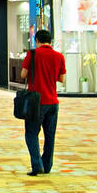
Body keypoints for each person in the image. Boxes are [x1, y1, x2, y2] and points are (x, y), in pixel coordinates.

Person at [22, 29, 67, 176]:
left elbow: (23, 74)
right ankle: (47, 166)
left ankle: (37, 165)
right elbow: (62, 79)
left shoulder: (32, 54)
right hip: (53, 102)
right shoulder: (59, 56)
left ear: (37, 41)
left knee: (31, 133)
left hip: (36, 101)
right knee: (50, 135)